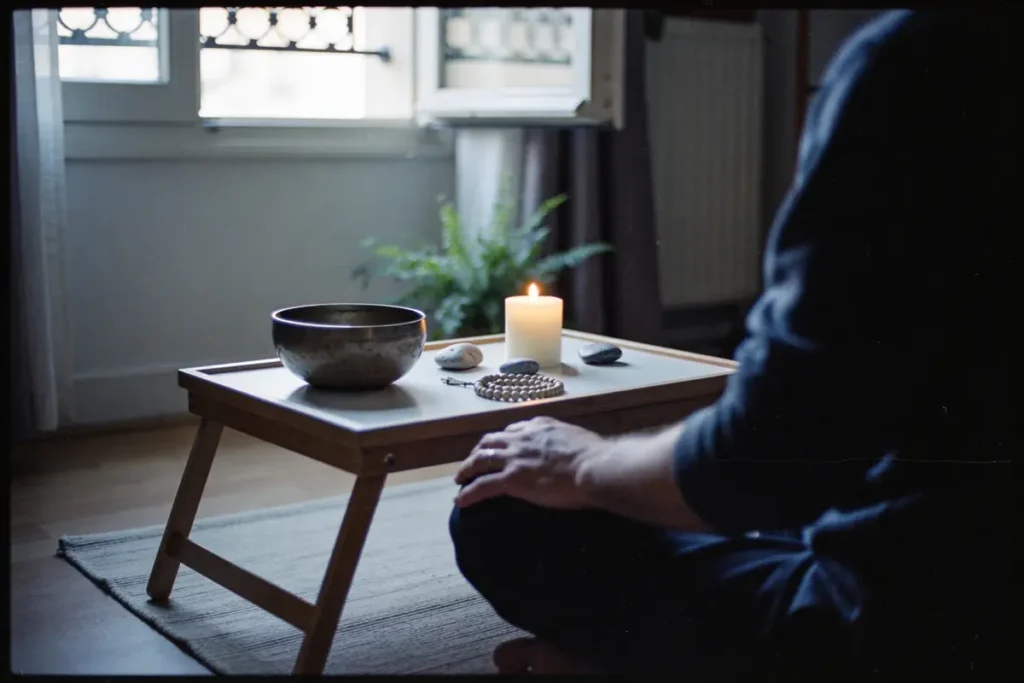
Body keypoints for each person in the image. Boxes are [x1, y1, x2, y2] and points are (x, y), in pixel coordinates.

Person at [448, 9, 1013, 676]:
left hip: (924, 619)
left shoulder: (924, 59)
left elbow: (764, 460)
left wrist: (582, 465)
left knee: (501, 511)